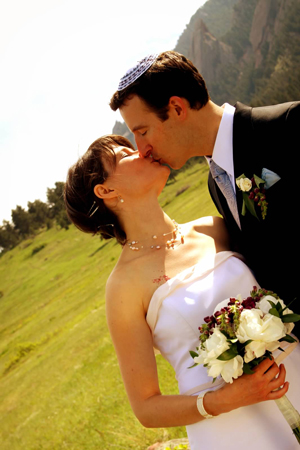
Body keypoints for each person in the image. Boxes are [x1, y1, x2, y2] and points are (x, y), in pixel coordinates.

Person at [64, 133, 300, 449]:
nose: (142, 151)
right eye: (124, 155)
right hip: (236, 429)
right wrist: (221, 401)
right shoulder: (122, 288)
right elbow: (146, 407)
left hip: (294, 372)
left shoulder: (213, 228)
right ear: (106, 190)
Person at [109, 51, 300, 338]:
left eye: (143, 131)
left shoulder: (287, 126)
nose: (142, 148)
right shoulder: (215, 184)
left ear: (176, 108)